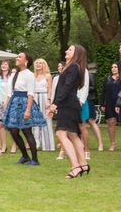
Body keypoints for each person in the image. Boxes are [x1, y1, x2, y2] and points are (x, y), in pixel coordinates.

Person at [47, 44, 88, 179]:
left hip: (68, 105)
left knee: (61, 133)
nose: (66, 51)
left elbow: (67, 88)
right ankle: (83, 164)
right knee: (73, 135)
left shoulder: (73, 67)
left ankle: (75, 166)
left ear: (77, 53)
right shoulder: (72, 67)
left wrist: (55, 104)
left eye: (70, 49)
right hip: (70, 104)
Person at [2, 52, 47, 165]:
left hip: (24, 103)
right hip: (14, 102)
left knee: (27, 131)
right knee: (13, 131)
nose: (17, 58)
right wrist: (6, 106)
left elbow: (31, 94)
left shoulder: (29, 74)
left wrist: (28, 110)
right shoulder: (14, 74)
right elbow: (10, 92)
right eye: (17, 56)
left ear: (26, 61)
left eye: (20, 57)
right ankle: (25, 156)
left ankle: (35, 159)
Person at [33, 59, 55, 151]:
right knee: (35, 121)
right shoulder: (33, 76)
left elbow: (50, 89)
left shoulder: (48, 76)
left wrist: (48, 100)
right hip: (34, 98)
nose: (38, 65)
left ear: (44, 65)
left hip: (44, 97)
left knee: (46, 120)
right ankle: (36, 143)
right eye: (37, 63)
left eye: (40, 63)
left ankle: (48, 145)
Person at [100, 63, 121, 151]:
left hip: (120, 103)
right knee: (111, 123)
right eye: (112, 67)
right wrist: (102, 104)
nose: (113, 68)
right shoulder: (107, 78)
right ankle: (112, 144)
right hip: (109, 103)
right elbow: (103, 92)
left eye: (115, 67)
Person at [0, 60, 14, 153]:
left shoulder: (12, 77)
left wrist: (7, 103)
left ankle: (14, 145)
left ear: (9, 66)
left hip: (10, 102)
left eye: (6, 64)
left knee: (11, 125)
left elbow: (12, 91)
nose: (3, 65)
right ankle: (4, 145)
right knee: (1, 124)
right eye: (2, 64)